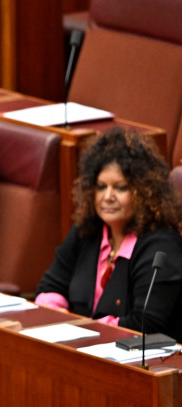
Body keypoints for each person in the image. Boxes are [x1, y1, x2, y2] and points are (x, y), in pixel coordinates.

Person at [36, 128, 182, 341]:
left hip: (139, 364)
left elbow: (145, 325)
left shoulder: (162, 247)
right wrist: (55, 315)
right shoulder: (87, 230)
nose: (108, 196)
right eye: (101, 186)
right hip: (80, 349)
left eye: (120, 188)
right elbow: (50, 286)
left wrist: (81, 330)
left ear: (144, 192)